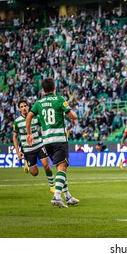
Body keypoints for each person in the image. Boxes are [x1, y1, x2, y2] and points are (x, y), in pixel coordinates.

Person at [26, 77, 79, 208]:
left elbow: (29, 116)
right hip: (59, 139)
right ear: (54, 87)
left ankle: (68, 196)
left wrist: (29, 134)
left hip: (46, 141)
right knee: (62, 168)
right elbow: (73, 116)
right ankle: (56, 196)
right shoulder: (59, 99)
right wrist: (69, 111)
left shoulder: (39, 103)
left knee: (60, 168)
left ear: (43, 90)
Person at [13, 99, 55, 192]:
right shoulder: (17, 122)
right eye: (21, 107)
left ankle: (52, 186)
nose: (24, 108)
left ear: (28, 107)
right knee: (34, 173)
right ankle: (26, 161)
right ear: (19, 109)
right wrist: (17, 151)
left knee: (46, 165)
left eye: (25, 106)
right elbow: (15, 137)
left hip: (39, 145)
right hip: (28, 150)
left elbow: (45, 126)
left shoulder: (36, 117)